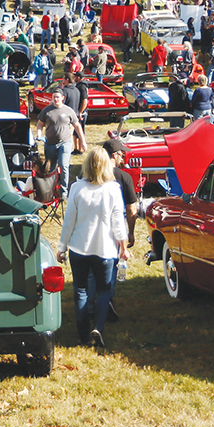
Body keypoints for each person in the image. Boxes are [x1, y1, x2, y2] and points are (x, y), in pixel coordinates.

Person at [57, 145, 128, 350]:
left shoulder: (77, 188)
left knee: (80, 290)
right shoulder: (113, 189)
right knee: (104, 290)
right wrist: (123, 247)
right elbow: (118, 222)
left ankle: (83, 335)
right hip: (105, 250)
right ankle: (98, 327)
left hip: (79, 248)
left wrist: (61, 247)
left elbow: (69, 221)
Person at [35, 90, 86, 193]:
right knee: (50, 168)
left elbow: (77, 125)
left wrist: (83, 141)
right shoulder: (47, 111)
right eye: (54, 97)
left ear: (62, 98)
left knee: (64, 166)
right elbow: (40, 124)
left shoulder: (68, 111)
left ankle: (64, 191)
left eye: (58, 97)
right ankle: (50, 190)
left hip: (65, 143)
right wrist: (39, 133)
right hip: (50, 144)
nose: (56, 99)